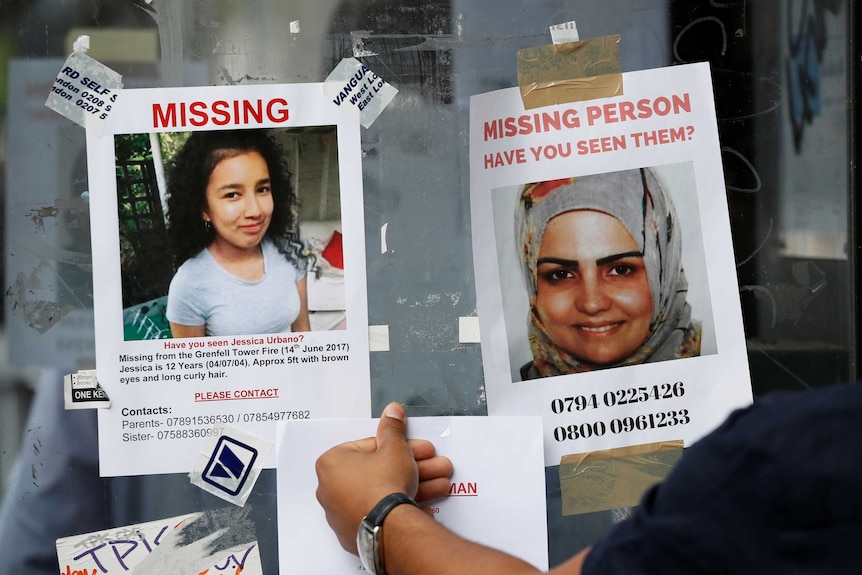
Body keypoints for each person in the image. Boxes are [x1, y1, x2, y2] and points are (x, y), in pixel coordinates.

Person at [316, 384, 862, 574]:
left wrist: (379, 516)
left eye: (622, 268)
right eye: (558, 274)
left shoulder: (790, 454)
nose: (594, 299)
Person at [515, 168, 701, 380]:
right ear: (532, 283)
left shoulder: (731, 370)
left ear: (662, 272)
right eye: (561, 274)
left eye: (620, 270)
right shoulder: (509, 404)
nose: (592, 304)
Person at [165, 129, 311, 337]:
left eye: (262, 189)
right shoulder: (189, 284)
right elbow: (194, 368)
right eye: (232, 195)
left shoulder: (289, 251)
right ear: (204, 209)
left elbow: (303, 333)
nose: (255, 211)